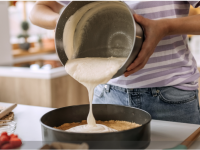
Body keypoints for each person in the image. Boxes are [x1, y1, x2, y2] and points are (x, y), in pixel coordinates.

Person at [30, 1, 200, 124]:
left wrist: (165, 27)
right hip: (106, 95)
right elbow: (39, 9)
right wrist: (61, 21)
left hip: (170, 98)